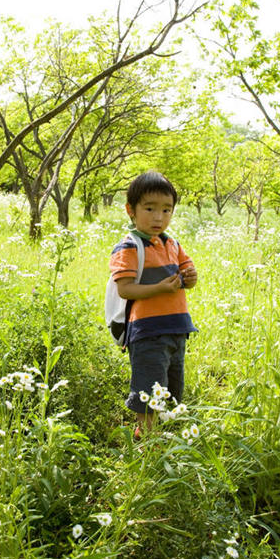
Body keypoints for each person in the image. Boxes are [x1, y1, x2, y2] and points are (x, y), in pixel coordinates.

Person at [109, 170, 198, 437]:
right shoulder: (129, 246)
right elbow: (125, 289)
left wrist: (191, 278)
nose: (159, 217)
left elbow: (188, 278)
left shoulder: (172, 244)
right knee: (149, 385)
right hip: (147, 331)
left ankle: (160, 432)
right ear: (131, 210)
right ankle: (147, 437)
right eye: (149, 208)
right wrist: (159, 288)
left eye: (166, 210)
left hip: (176, 327)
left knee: (171, 384)